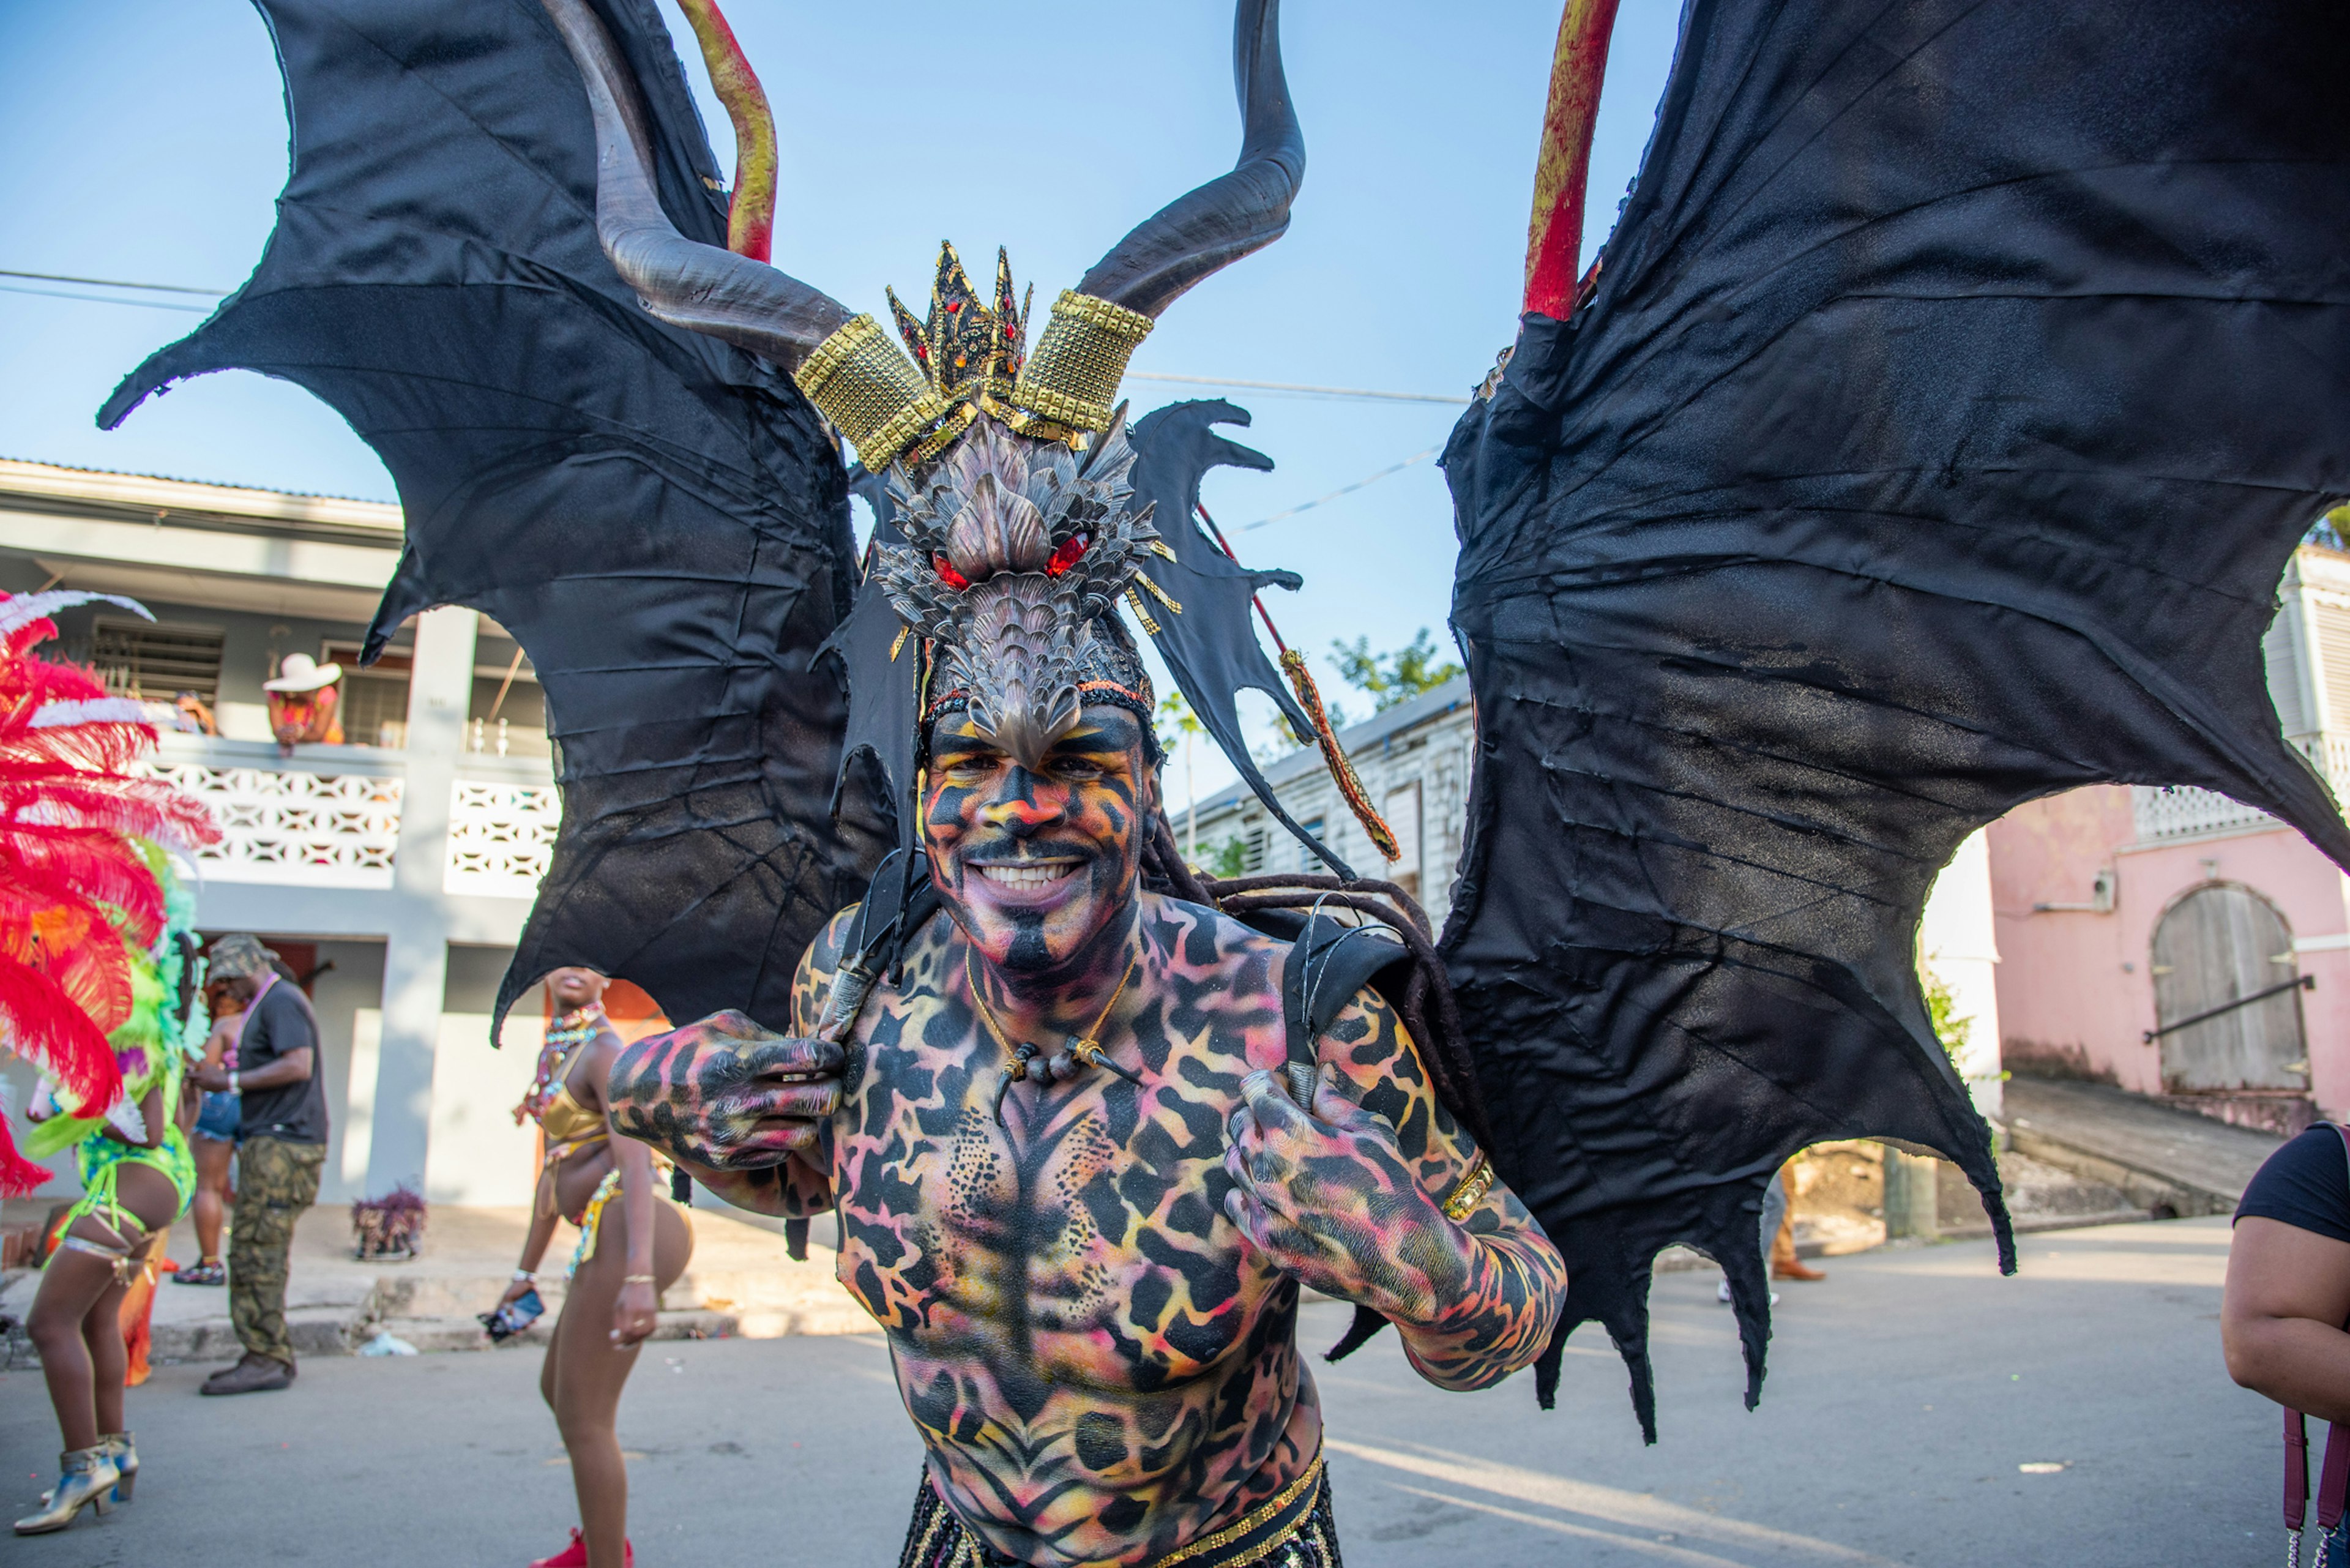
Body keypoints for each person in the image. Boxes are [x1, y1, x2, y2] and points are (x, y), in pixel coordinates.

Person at [608, 408, 1570, 1564]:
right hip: (959, 1541)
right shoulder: (859, 983)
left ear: (1149, 790)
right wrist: (667, 1100)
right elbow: (808, 1178)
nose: (1018, 809)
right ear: (924, 790)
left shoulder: (1293, 1023)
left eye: (1076, 763)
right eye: (971, 762)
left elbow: (1515, 1302)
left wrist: (1429, 1268)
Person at [486, 966, 692, 1568]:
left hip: (632, 1229)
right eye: (563, 956)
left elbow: (636, 1164)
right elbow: (553, 1179)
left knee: (584, 1415)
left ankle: (607, 1561)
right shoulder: (561, 1049)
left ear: (609, 978)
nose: (574, 968)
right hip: (604, 1231)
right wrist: (523, 1275)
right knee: (557, 1390)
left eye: (590, 959)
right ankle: (600, 1546)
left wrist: (639, 1281)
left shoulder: (605, 1051)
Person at [15, 1009, 196, 1534]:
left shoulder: (131, 1036)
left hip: (134, 1184)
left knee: (48, 1324)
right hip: (147, 1186)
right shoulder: (151, 1032)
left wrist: (72, 1099)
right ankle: (116, 1452)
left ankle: (82, 1468)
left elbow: (151, 1129)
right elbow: (178, 1123)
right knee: (96, 1322)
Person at [189, 934, 330, 1395]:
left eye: (229, 981)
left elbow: (298, 1065)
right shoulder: (273, 1003)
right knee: (252, 1248)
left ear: (246, 970)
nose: (228, 992)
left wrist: (227, 1080)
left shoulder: (281, 1001)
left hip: (283, 1145)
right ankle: (265, 1352)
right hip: (274, 1142)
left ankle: (265, 1357)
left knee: (257, 1251)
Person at [173, 979, 245, 1288]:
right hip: (257, 1105)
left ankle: (210, 1264)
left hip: (221, 1105)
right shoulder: (266, 1024)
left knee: (208, 1188)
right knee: (254, 1191)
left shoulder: (225, 1026)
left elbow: (207, 1067)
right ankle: (249, 1265)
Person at [260, 652, 343, 755]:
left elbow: (318, 734)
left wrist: (299, 733)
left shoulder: (326, 695)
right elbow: (277, 729)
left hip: (326, 754)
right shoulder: (276, 697)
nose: (312, 690)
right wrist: (285, 735)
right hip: (291, 756)